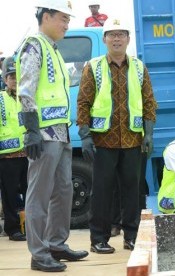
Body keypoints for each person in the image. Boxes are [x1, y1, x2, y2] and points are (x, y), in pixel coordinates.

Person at [16, 0, 88, 272]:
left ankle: (57, 243)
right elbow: (26, 90)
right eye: (62, 18)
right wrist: (32, 130)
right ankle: (39, 253)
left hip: (61, 132)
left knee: (63, 191)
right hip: (44, 134)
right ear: (45, 16)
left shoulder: (54, 49)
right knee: (39, 195)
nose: (66, 24)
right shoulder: (35, 45)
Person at [77, 17, 157, 254]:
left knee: (133, 191)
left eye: (121, 34)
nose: (117, 38)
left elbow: (149, 102)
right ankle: (98, 239)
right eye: (112, 34)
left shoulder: (139, 68)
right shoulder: (93, 67)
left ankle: (132, 236)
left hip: (133, 140)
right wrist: (85, 136)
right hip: (103, 142)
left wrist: (149, 133)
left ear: (128, 39)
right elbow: (83, 102)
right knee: (101, 191)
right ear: (104, 39)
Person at [0, 57, 28, 242]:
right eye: (11, 76)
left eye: (17, 75)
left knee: (30, 192)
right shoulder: (1, 99)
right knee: (9, 194)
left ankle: (30, 226)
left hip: (28, 154)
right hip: (7, 156)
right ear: (4, 79)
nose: (15, 79)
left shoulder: (28, 96)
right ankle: (12, 229)